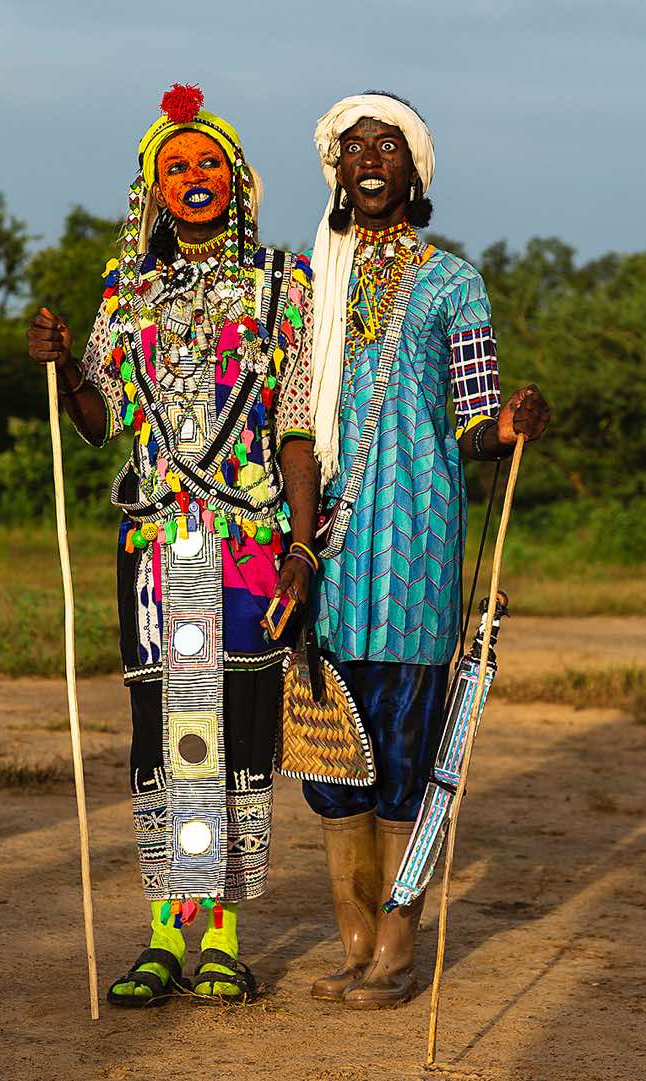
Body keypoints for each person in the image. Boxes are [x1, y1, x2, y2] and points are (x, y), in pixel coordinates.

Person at [27, 83, 318, 1006]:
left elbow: (302, 427)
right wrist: (65, 365)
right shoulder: (130, 290)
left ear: (237, 180)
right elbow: (98, 415)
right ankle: (165, 930)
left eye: (209, 164)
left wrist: (303, 548)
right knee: (165, 734)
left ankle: (224, 937)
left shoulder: (284, 283)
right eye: (174, 166)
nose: (194, 178)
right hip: (156, 550)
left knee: (237, 733)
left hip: (250, 543)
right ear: (151, 190)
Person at [304, 91, 550, 1009]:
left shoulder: (454, 283)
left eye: (389, 147)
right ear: (336, 170)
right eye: (354, 146)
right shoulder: (308, 284)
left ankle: (398, 950)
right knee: (332, 752)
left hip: (414, 545)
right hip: (324, 552)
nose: (370, 159)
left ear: (414, 170)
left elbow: (475, 423)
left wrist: (510, 423)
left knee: (405, 747)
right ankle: (355, 939)